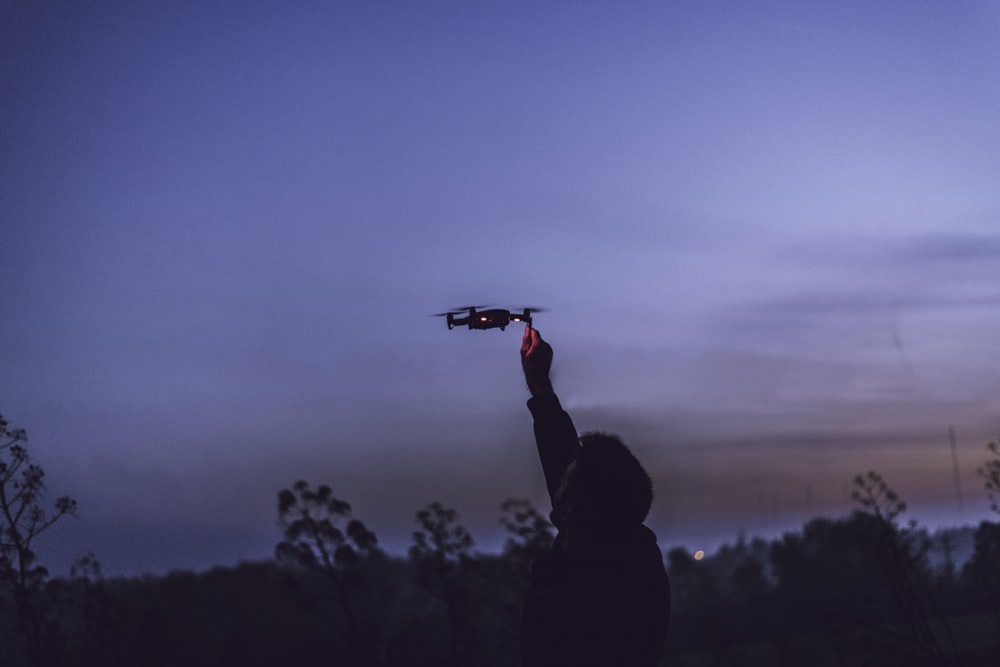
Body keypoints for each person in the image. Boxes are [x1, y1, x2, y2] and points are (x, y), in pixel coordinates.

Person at [519, 326, 671, 667]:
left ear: (570, 508)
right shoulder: (636, 561)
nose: (556, 483)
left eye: (563, 484)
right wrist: (540, 388)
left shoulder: (570, 609)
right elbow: (587, 484)